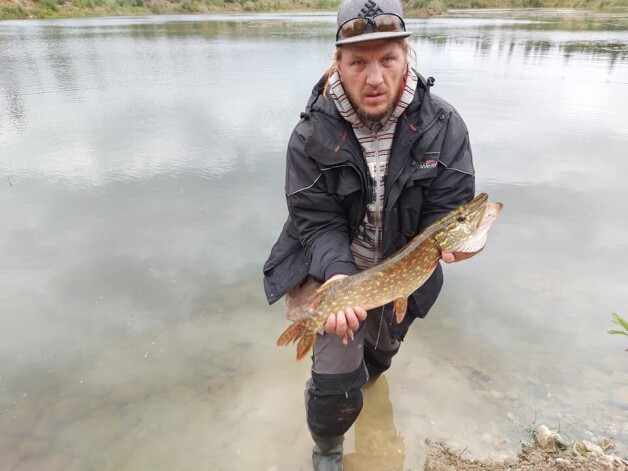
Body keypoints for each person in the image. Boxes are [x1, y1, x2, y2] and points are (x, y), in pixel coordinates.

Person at [263, 0, 479, 468]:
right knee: (333, 383)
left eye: (387, 59)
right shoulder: (309, 136)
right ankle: (328, 448)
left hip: (403, 274)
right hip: (332, 270)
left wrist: (464, 240)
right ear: (338, 62)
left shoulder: (444, 127)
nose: (374, 77)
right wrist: (339, 277)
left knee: (378, 360)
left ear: (407, 56)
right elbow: (315, 222)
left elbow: (451, 210)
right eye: (358, 62)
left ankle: (371, 391)